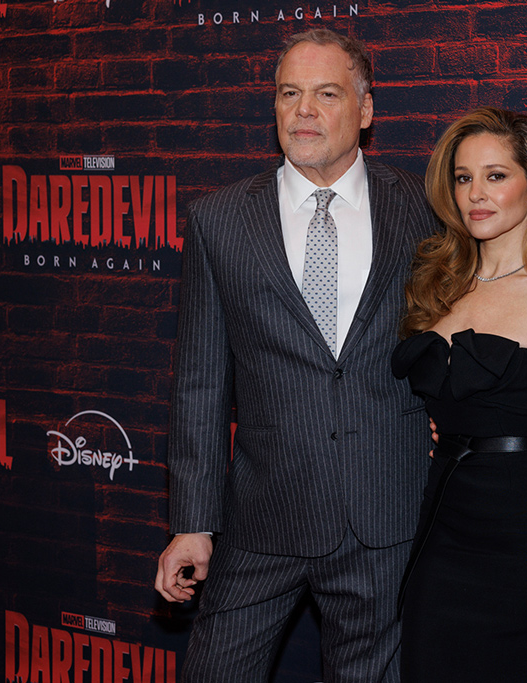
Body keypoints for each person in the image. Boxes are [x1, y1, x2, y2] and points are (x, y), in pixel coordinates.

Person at [153, 30, 435, 682]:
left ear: (365, 109)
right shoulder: (220, 219)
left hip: (385, 515)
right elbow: (200, 381)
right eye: (289, 93)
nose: (303, 110)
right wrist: (192, 522)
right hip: (262, 516)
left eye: (326, 94)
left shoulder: (425, 208)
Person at [391, 107, 527, 683]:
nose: (475, 194)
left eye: (495, 175)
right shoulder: (438, 282)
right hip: (442, 525)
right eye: (463, 178)